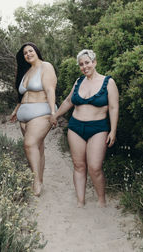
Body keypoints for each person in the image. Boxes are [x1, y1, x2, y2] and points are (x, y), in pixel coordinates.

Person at [50, 49, 119, 207]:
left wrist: (113, 130)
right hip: (75, 127)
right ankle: (80, 201)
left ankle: (101, 200)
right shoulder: (78, 81)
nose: (84, 66)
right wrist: (55, 115)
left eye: (87, 62)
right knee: (79, 166)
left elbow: (114, 108)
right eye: (81, 64)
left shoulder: (108, 82)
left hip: (98, 128)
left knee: (95, 167)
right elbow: (68, 101)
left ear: (94, 62)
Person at [10, 42, 57, 196]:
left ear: (36, 51)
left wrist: (53, 112)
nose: (28, 54)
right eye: (25, 53)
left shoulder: (46, 66)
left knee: (29, 145)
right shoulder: (26, 71)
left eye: (30, 51)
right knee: (37, 147)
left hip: (41, 112)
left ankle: (35, 182)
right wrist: (16, 110)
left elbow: (50, 90)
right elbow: (23, 94)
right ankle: (40, 180)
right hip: (23, 115)